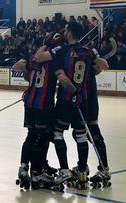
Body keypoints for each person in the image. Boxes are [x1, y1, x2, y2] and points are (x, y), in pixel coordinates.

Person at [35, 22, 108, 190]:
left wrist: (47, 43)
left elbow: (39, 58)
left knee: (57, 133)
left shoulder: (62, 50)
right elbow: (104, 66)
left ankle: (64, 170)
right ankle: (82, 171)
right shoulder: (89, 51)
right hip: (83, 100)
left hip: (66, 99)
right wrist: (93, 65)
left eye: (65, 29)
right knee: (81, 135)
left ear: (69, 33)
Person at [13, 33, 63, 190]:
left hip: (29, 103)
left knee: (31, 135)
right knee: (42, 137)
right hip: (43, 105)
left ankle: (23, 168)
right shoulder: (54, 61)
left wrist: (32, 83)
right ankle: (37, 172)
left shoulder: (33, 57)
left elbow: (17, 68)